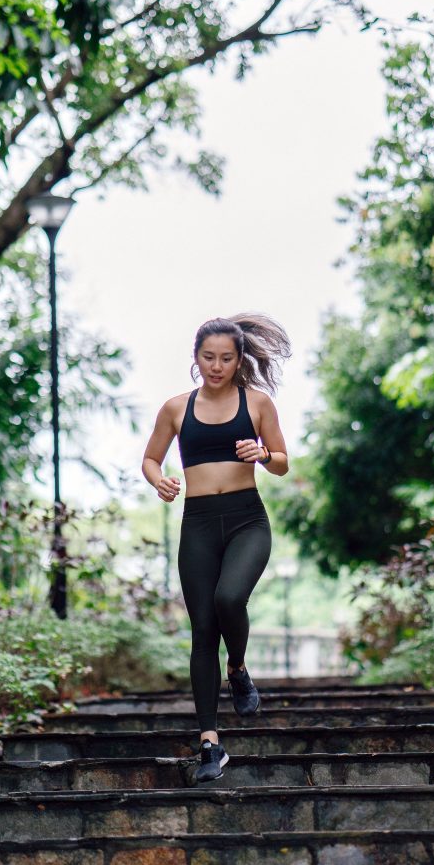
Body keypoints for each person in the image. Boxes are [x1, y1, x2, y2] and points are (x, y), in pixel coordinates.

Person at [141, 313, 291, 782]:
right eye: (209, 357)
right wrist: (159, 481)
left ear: (239, 359)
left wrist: (263, 455)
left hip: (248, 519)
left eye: (226, 358)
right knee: (203, 629)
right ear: (195, 358)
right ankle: (210, 743)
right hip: (199, 524)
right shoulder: (176, 409)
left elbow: (284, 462)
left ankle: (239, 668)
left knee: (229, 598)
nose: (217, 366)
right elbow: (150, 458)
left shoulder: (258, 403)